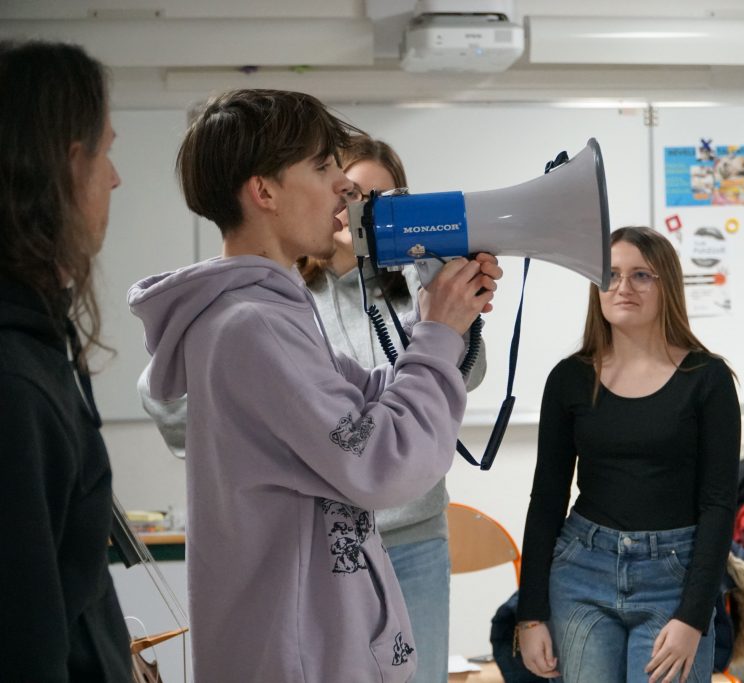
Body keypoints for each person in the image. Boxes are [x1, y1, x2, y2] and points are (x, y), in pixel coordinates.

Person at [128, 89, 501, 681]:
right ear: (265, 191)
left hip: (301, 641)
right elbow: (381, 462)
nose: (342, 190)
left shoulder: (264, 313)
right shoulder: (253, 325)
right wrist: (435, 334)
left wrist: (443, 319)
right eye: (324, 167)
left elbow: (368, 394)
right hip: (301, 652)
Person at [517, 226, 740, 683]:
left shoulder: (708, 379)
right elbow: (546, 500)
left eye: (641, 275)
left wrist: (694, 616)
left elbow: (718, 505)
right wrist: (530, 613)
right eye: (610, 275)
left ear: (667, 286)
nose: (622, 287)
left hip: (673, 578)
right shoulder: (569, 379)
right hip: (582, 572)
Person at [303, 135, 484, 682]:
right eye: (356, 195)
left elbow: (465, 374)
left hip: (415, 537)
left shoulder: (412, 294)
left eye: (386, 201)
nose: (365, 213)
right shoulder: (291, 296)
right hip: (330, 543)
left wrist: (426, 277)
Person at [0, 41, 132, 680]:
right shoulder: (13, 379)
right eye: (104, 151)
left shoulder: (38, 341)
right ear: (65, 163)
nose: (114, 177)